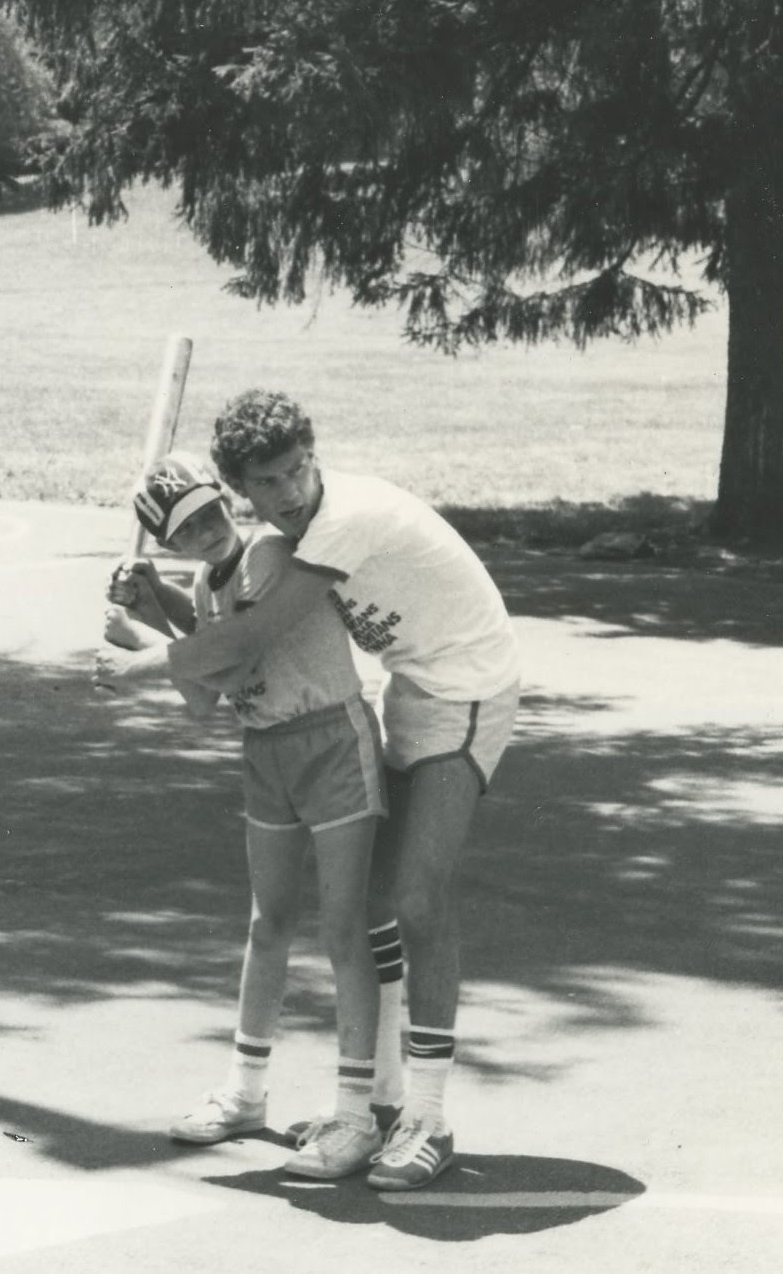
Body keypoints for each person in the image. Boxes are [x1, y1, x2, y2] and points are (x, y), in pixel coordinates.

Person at [100, 392, 521, 1192]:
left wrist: (135, 661)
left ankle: (426, 1116)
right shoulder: (273, 534)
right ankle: (384, 1097)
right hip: (409, 689)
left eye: (298, 469)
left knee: (419, 899)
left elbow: (250, 639)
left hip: (467, 687)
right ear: (242, 486)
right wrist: (157, 596)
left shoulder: (333, 524)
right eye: (270, 479)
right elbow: (226, 626)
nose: (291, 490)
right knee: (366, 907)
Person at [96, 453, 389, 1182]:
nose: (204, 529)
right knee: (269, 921)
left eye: (209, 511)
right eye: (185, 528)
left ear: (226, 500)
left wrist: (139, 640)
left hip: (331, 740)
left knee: (343, 922)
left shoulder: (265, 552)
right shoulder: (205, 576)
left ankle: (355, 1112)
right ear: (170, 541)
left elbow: (226, 663)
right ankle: (246, 1091)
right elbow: (206, 676)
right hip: (267, 750)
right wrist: (156, 597)